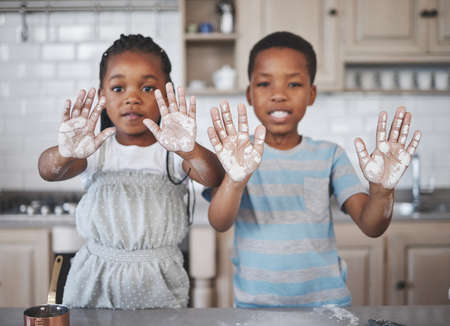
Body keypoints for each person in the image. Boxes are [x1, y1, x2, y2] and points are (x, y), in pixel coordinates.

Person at [204, 31, 421, 308]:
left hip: (326, 304)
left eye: (294, 84)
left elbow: (372, 226)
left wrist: (382, 191)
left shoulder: (330, 155)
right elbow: (219, 222)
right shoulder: (237, 157)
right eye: (264, 84)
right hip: (256, 305)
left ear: (312, 93)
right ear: (249, 93)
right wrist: (235, 180)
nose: (279, 95)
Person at [38, 34, 224, 309]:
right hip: (94, 278)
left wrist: (190, 149)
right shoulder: (95, 149)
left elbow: (213, 176)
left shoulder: (173, 152)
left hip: (159, 281)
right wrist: (66, 152)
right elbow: (49, 170)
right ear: (101, 95)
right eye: (118, 88)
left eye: (147, 88)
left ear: (167, 94)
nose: (132, 98)